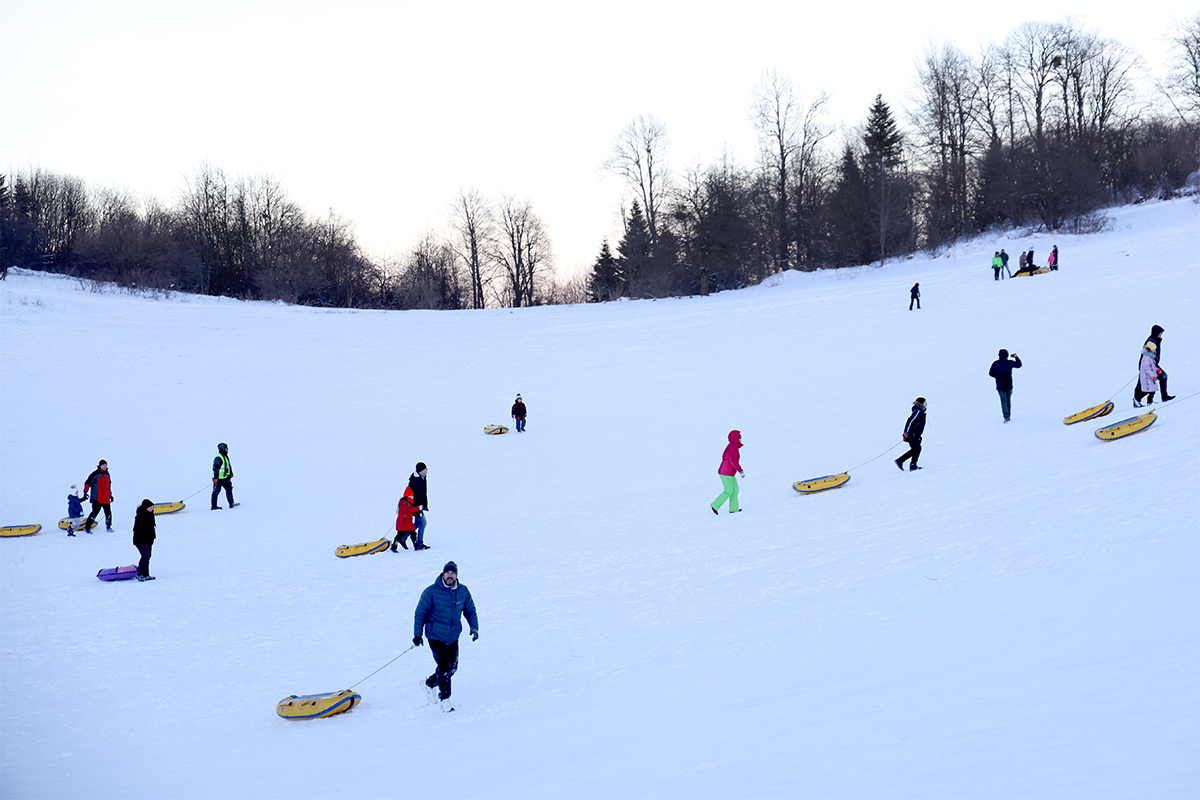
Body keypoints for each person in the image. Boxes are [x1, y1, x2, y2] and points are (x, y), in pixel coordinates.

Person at [413, 561, 478, 709]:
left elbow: (470, 610)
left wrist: (474, 627)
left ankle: (430, 683)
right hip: (435, 634)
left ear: (456, 575)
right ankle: (445, 700)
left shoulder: (463, 591)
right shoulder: (431, 592)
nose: (450, 575)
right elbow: (420, 613)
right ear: (443, 574)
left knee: (452, 668)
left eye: (453, 573)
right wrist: (418, 635)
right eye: (447, 572)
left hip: (453, 635)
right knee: (444, 666)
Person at [710, 430, 744, 514]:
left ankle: (734, 509)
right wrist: (740, 471)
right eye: (739, 437)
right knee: (729, 490)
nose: (741, 439)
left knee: (735, 490)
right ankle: (715, 505)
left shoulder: (733, 446)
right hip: (725, 472)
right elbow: (733, 461)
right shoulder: (732, 447)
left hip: (730, 473)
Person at [988, 349, 1023, 423]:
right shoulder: (1009, 362)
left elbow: (991, 373)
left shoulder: (995, 363)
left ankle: (1006, 416)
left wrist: (997, 376)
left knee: (1003, 400)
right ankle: (1009, 415)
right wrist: (1016, 357)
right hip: (1009, 384)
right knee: (1008, 399)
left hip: (1000, 384)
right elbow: (1019, 365)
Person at [1142, 325, 1174, 402]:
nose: (1161, 335)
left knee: (1159, 378)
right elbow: (1147, 355)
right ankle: (1140, 399)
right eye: (1160, 333)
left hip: (1152, 364)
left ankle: (1163, 397)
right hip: (1149, 365)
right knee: (1158, 378)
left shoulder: (1156, 339)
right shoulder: (1151, 341)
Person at [895, 398, 927, 471]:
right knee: (917, 448)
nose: (926, 404)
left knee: (916, 449)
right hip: (913, 434)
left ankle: (910, 463)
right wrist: (906, 433)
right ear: (921, 404)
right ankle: (902, 461)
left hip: (916, 434)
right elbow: (910, 422)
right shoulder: (918, 412)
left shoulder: (920, 412)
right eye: (925, 402)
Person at [83, 460, 114, 532]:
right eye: (103, 465)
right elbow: (88, 483)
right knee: (95, 512)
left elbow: (108, 486)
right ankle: (87, 527)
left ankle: (108, 526)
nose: (105, 466)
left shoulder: (107, 474)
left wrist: (110, 495)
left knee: (108, 513)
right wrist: (85, 492)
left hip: (106, 498)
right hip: (97, 498)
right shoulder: (95, 474)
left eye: (106, 465)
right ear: (100, 466)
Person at [406, 463, 430, 550]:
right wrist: (418, 508)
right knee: (423, 523)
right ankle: (419, 543)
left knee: (417, 523)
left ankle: (402, 538)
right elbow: (416, 495)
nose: (427, 469)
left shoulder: (421, 478)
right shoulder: (416, 481)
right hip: (416, 507)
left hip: (419, 506)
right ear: (421, 470)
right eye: (425, 468)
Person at [133, 499, 157, 581]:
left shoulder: (150, 514)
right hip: (140, 540)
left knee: (148, 556)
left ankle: (146, 574)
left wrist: (152, 537)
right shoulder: (140, 516)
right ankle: (140, 574)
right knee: (145, 556)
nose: (152, 509)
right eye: (150, 508)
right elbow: (138, 530)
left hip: (149, 539)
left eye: (152, 507)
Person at [211, 442, 238, 510]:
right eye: (226, 448)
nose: (227, 450)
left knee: (229, 489)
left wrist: (229, 475)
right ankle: (214, 506)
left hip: (225, 478)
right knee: (216, 492)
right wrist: (215, 478)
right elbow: (215, 469)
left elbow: (227, 467)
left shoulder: (225, 457)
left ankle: (231, 503)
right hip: (219, 479)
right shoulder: (218, 458)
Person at [1134, 341, 1160, 408]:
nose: (1155, 350)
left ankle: (1150, 402)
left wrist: (1157, 370)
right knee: (1147, 390)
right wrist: (1153, 375)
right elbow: (1147, 368)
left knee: (1153, 390)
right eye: (1154, 349)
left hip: (1150, 376)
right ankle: (1137, 400)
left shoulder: (1151, 356)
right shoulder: (1146, 357)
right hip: (1147, 377)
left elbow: (1152, 365)